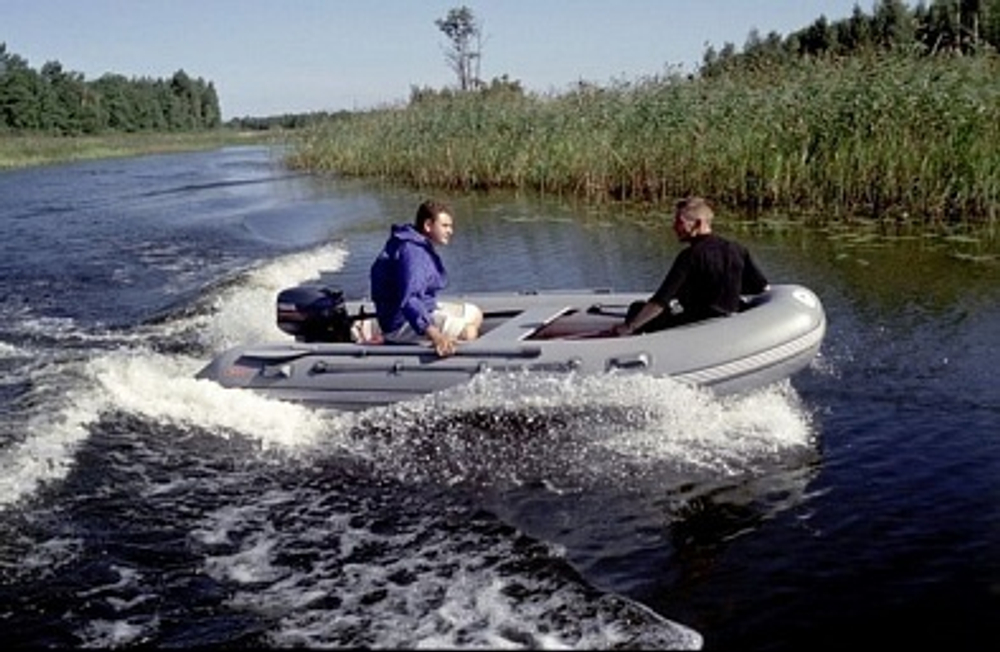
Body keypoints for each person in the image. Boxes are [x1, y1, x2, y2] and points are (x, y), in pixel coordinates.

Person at [611, 196, 769, 336]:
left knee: (637, 308)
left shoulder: (690, 256)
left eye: (679, 223)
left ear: (698, 224)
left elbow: (659, 302)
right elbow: (759, 288)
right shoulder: (737, 249)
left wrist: (629, 327)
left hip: (697, 326)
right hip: (729, 321)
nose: (674, 227)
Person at [370, 199, 483, 357]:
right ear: (428, 225)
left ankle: (449, 340)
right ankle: (452, 357)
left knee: (475, 313)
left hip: (425, 308)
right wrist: (435, 335)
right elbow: (410, 300)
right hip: (400, 322)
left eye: (450, 226)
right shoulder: (413, 253)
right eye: (444, 226)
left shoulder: (418, 243)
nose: (450, 231)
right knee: (469, 332)